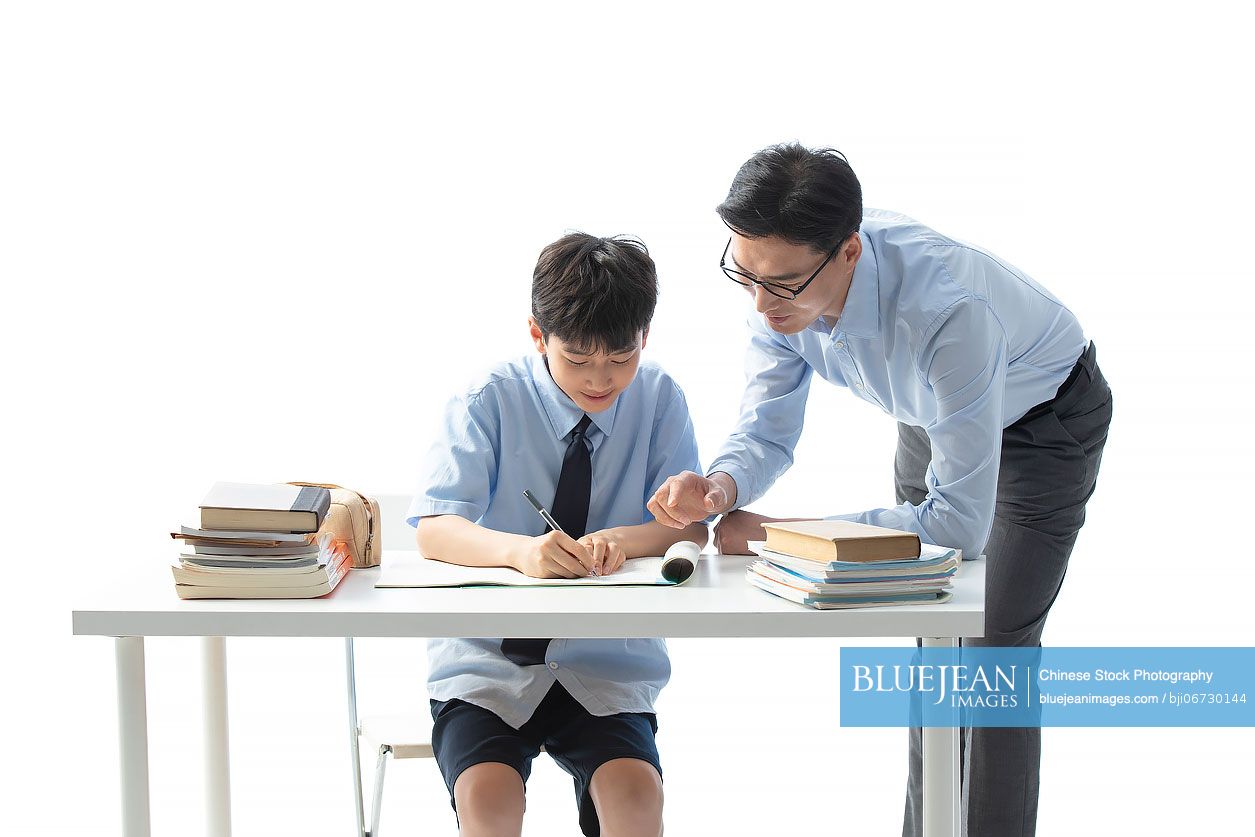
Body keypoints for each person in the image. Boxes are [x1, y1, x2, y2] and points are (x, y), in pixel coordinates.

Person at [648, 143, 1112, 836]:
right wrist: (718, 487)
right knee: (935, 644)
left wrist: (780, 534)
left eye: (779, 284)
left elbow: (955, 523)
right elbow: (767, 431)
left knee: (988, 657)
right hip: (932, 415)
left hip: (1041, 428)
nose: (758, 301)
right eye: (742, 274)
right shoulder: (776, 289)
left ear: (848, 254)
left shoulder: (948, 311)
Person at [408, 232, 707, 837]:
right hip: (487, 660)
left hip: (607, 658)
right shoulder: (487, 398)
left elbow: (688, 531)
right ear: (537, 334)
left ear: (644, 337)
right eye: (577, 358)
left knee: (635, 797)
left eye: (621, 357)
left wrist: (621, 540)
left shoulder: (660, 398)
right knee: (488, 801)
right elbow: (436, 529)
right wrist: (522, 554)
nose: (600, 379)